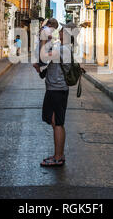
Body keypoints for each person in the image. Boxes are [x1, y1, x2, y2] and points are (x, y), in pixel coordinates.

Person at [39, 26, 73, 167]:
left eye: (61, 31)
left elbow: (43, 57)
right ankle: (58, 154)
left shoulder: (62, 49)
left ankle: (58, 157)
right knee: (54, 121)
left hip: (57, 90)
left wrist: (43, 40)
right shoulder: (62, 48)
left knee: (58, 123)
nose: (58, 32)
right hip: (56, 89)